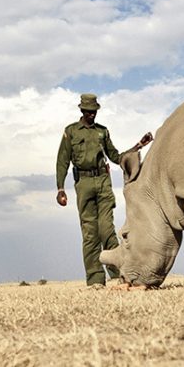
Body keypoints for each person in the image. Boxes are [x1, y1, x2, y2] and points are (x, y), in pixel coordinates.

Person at [56, 94, 152, 287]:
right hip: (83, 183)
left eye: (94, 111)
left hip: (103, 181)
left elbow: (116, 156)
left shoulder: (102, 132)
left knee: (107, 230)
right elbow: (62, 161)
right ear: (82, 111)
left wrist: (138, 146)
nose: (92, 114)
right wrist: (60, 188)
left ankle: (118, 275)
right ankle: (95, 279)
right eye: (88, 111)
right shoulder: (71, 131)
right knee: (90, 233)